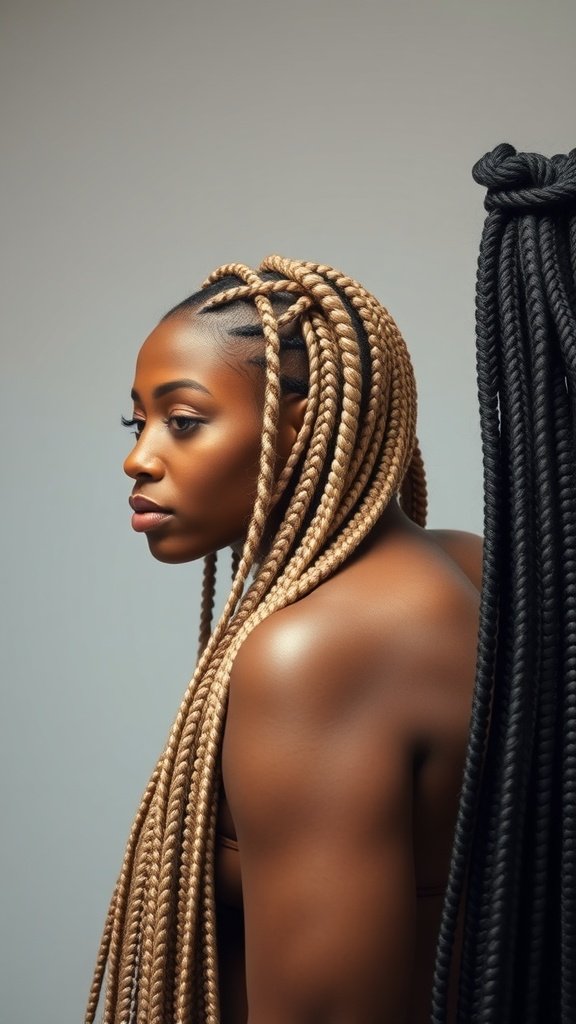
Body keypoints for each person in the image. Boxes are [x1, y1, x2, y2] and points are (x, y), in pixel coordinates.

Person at [85, 254, 482, 1024]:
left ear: (296, 429)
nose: (137, 457)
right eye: (138, 422)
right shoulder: (468, 562)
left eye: (184, 420)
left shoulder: (319, 651)